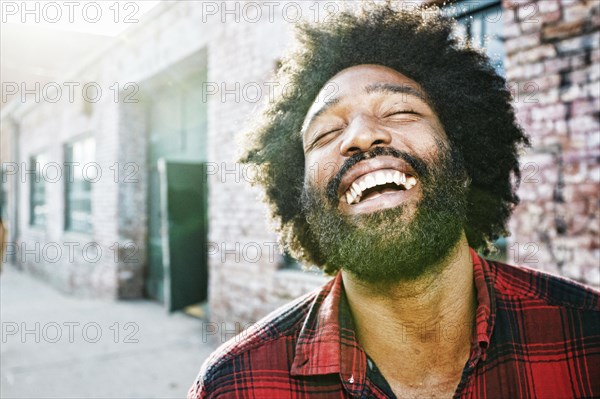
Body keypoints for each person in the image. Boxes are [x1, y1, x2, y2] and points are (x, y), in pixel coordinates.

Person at [189, 3, 600, 398]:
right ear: (300, 201)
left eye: (400, 111)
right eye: (326, 134)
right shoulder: (234, 385)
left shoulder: (587, 335)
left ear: (466, 152)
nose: (361, 136)